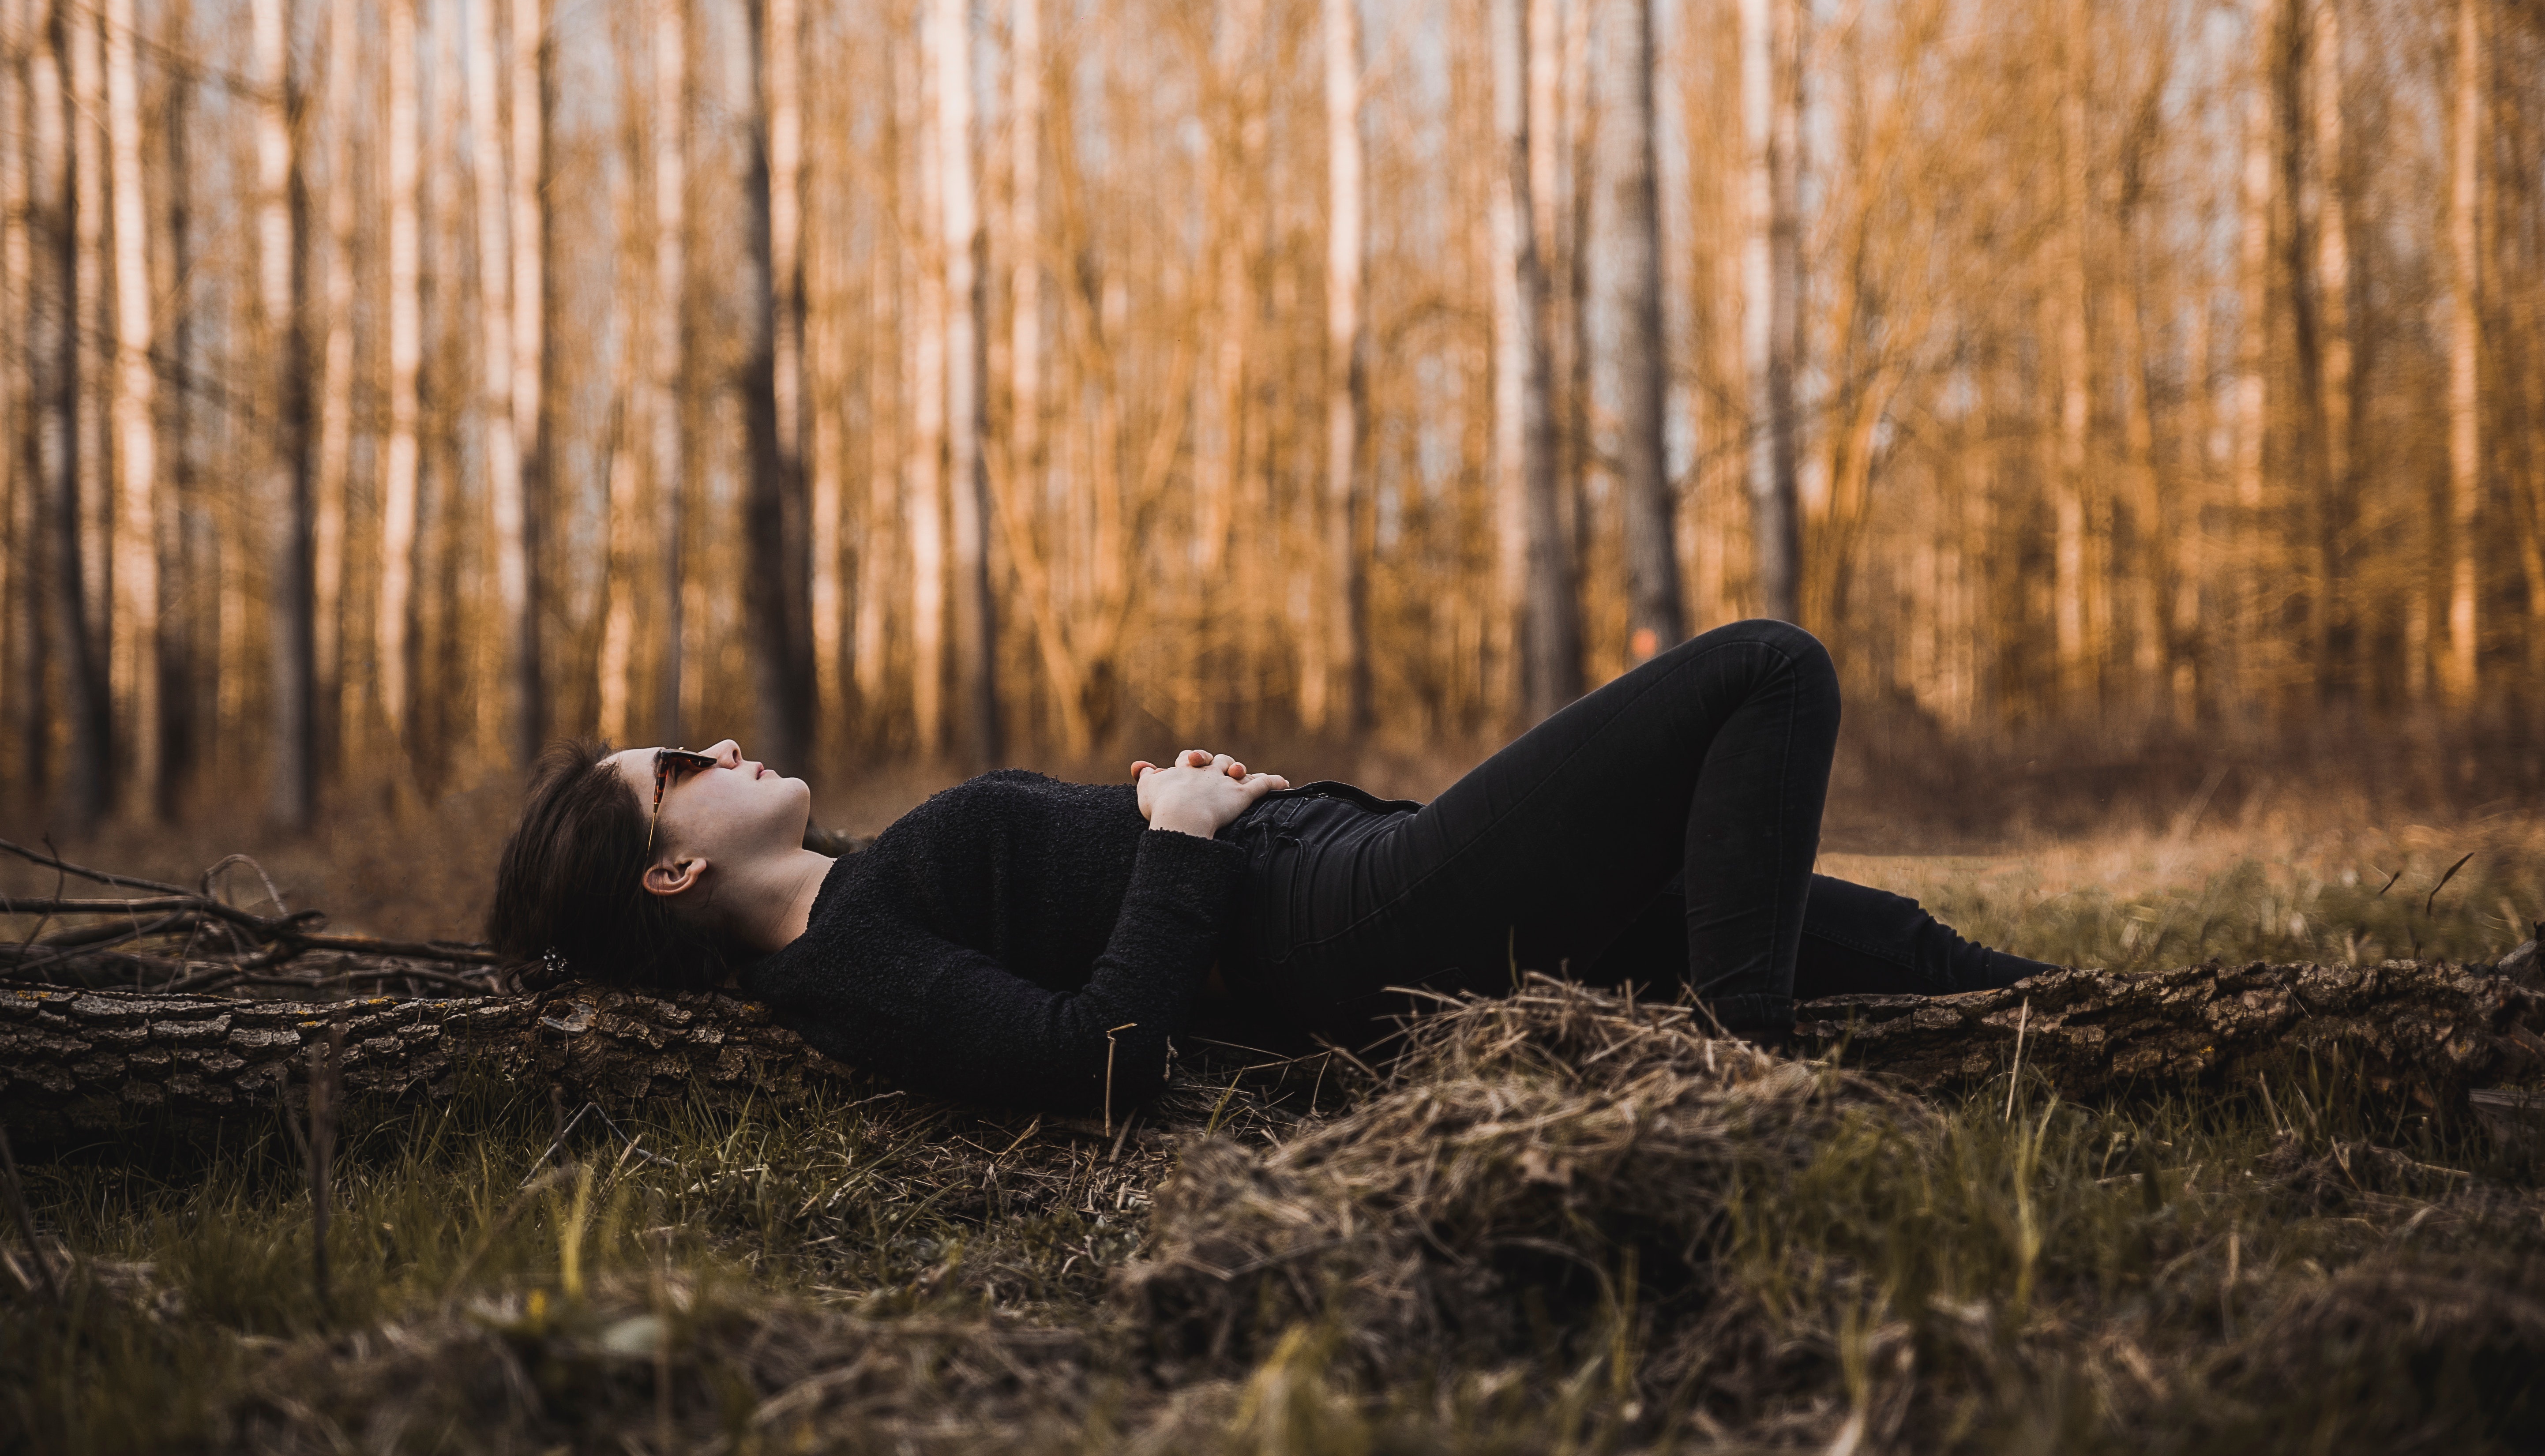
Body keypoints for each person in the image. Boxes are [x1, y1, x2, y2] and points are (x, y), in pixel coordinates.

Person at [488, 619, 2055, 1116]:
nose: (720, 744)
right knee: (1768, 674)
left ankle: (2091, 1014)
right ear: (671, 877)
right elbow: (1098, 1056)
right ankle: (1744, 1083)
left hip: (1340, 860)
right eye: (681, 772)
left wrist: (1211, 807)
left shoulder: (865, 881)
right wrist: (1180, 834)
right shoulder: (842, 967)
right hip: (1357, 918)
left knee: (1883, 935)